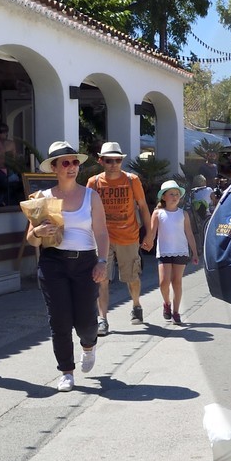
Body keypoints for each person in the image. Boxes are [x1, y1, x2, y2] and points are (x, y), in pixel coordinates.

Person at [28, 141, 111, 393]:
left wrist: (102, 261)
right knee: (60, 320)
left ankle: (89, 344)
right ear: (54, 168)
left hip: (85, 261)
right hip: (53, 262)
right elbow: (30, 239)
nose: (72, 167)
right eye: (66, 162)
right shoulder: (42, 198)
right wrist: (39, 231)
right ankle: (66, 371)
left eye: (75, 162)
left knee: (86, 321)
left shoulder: (91, 196)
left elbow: (102, 233)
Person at [88, 141, 151, 334]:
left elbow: (143, 206)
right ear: (101, 161)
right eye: (109, 160)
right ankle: (102, 319)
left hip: (128, 236)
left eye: (117, 160)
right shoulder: (94, 182)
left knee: (131, 276)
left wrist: (149, 234)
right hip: (102, 239)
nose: (113, 164)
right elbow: (87, 211)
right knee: (102, 279)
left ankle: (136, 305)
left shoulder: (132, 180)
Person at [147, 180, 198, 326]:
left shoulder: (183, 214)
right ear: (163, 197)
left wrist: (194, 252)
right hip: (164, 251)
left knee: (177, 282)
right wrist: (146, 242)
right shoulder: (158, 213)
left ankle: (176, 312)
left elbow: (189, 233)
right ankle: (166, 303)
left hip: (181, 251)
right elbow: (152, 232)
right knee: (164, 283)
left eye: (177, 194)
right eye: (171, 194)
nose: (175, 197)